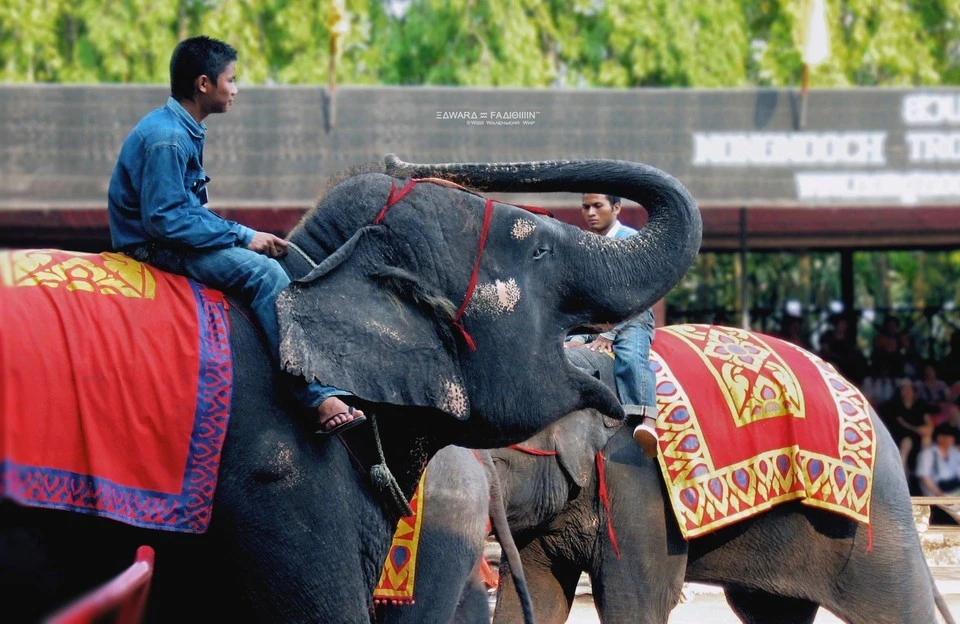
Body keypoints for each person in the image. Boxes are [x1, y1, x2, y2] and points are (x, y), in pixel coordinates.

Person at [106, 36, 364, 436]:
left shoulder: (179, 127)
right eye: (231, 80)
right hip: (154, 246)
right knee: (265, 275)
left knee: (280, 260)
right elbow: (165, 220)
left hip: (168, 235)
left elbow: (181, 209)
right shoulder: (168, 139)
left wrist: (242, 235)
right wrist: (242, 235)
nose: (236, 89)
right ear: (204, 84)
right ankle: (312, 396)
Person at [566, 193, 658, 456]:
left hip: (631, 318)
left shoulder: (631, 241)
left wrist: (613, 332)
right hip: (594, 320)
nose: (590, 212)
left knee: (629, 357)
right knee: (562, 347)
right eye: (586, 207)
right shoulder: (586, 245)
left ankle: (647, 420)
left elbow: (640, 293)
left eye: (598, 206)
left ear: (616, 208)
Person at [916, 424, 960, 498]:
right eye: (949, 437)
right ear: (939, 438)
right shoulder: (927, 453)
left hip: (954, 489)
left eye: (952, 437)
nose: (952, 439)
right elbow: (924, 477)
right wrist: (940, 494)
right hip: (934, 493)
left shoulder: (954, 452)